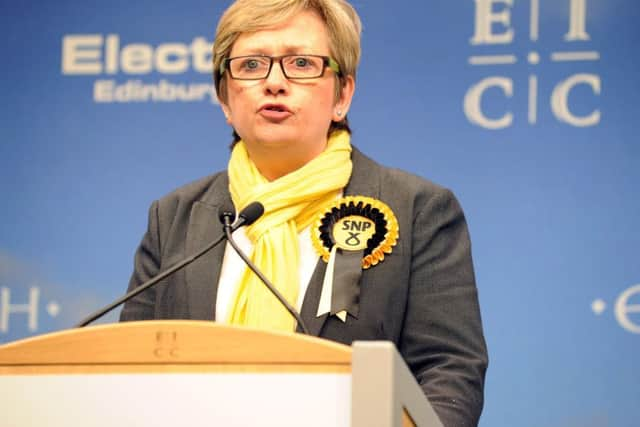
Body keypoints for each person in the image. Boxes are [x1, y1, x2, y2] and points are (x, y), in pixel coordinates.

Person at [120, 0, 488, 425]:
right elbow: (132, 369)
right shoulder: (175, 219)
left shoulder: (418, 210)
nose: (274, 82)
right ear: (224, 97)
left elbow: (448, 371)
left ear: (342, 94)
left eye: (301, 63)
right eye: (252, 64)